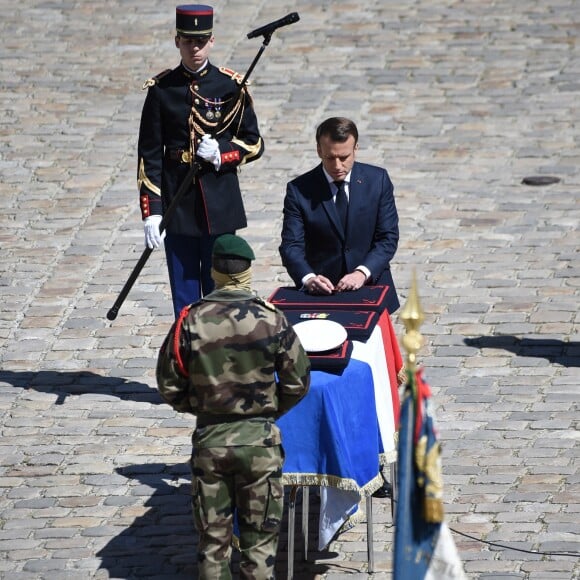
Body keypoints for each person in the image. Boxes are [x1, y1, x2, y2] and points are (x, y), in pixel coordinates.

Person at [156, 233, 311, 579]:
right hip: (260, 443)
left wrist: (202, 407)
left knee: (213, 546)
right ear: (248, 271)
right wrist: (267, 412)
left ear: (214, 272)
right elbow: (298, 381)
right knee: (259, 547)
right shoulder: (272, 319)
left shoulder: (191, 319)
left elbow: (168, 383)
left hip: (210, 441)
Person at [138, 4, 264, 318]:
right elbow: (149, 156)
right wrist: (151, 212)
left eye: (201, 40)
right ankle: (186, 357)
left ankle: (218, 354)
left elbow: (254, 142)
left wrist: (222, 154)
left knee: (221, 289)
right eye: (188, 41)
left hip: (219, 203)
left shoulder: (230, 85)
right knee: (184, 291)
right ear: (177, 40)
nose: (195, 47)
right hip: (178, 202)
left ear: (212, 41)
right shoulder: (161, 91)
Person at [279, 116, 400, 314]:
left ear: (356, 149)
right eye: (330, 158)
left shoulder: (377, 181)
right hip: (322, 294)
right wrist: (309, 278)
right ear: (319, 150)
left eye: (344, 158)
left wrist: (362, 273)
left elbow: (387, 238)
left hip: (371, 288)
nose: (337, 166)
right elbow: (291, 246)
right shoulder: (299, 190)